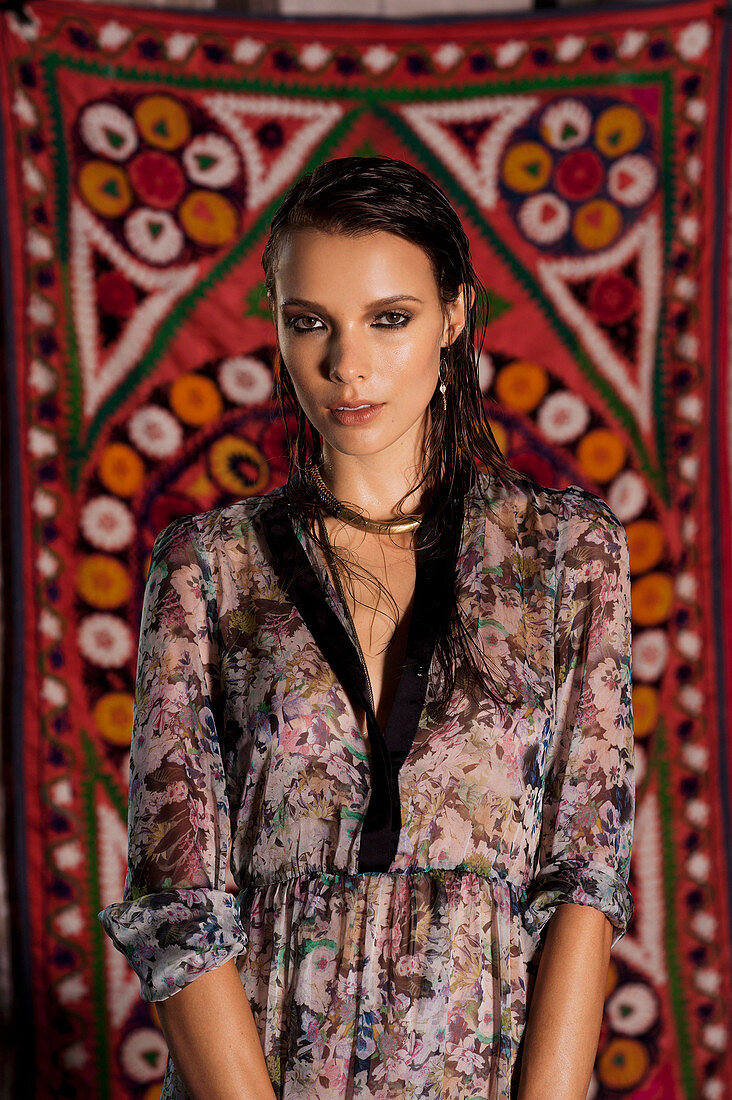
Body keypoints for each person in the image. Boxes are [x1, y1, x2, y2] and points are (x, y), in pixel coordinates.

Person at [98, 156, 635, 1100]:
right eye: (310, 323)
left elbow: (583, 877)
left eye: (390, 319)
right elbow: (177, 902)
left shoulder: (565, 556)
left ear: (455, 314)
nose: (346, 364)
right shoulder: (207, 567)